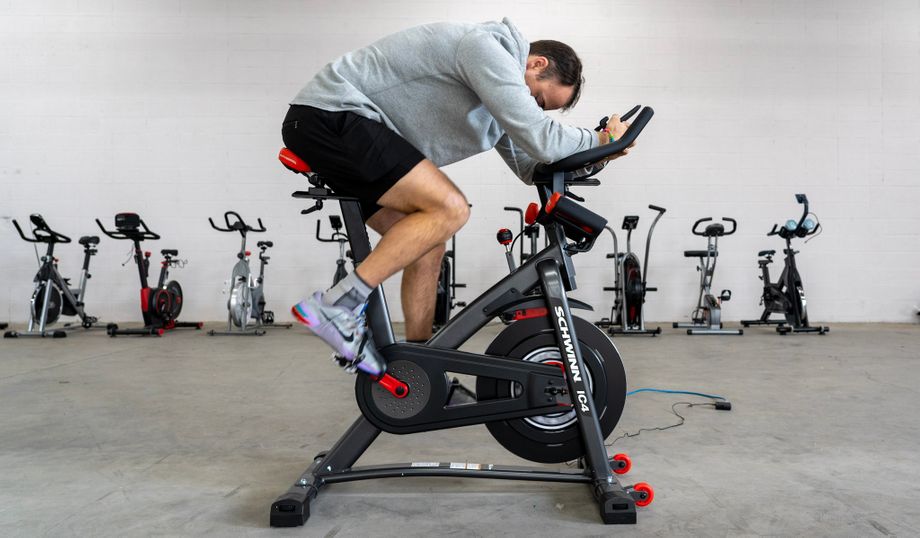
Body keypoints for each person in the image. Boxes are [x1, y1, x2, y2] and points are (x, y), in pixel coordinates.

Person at [282, 17, 633, 376]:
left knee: (429, 242)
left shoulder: (497, 102)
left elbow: (532, 165)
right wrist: (602, 139)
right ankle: (339, 305)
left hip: (354, 131)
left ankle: (418, 366)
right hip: (332, 115)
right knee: (450, 209)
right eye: (537, 98)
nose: (530, 106)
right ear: (536, 63)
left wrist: (599, 156)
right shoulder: (485, 48)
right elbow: (541, 136)